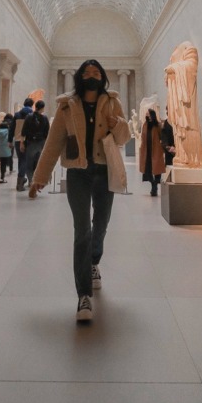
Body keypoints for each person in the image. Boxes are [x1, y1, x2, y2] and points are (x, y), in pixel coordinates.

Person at [29, 59, 130, 323]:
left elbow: (124, 137)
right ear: (80, 77)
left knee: (102, 224)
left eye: (96, 71)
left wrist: (116, 123)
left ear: (103, 77)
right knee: (81, 230)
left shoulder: (111, 102)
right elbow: (53, 143)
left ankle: (94, 262)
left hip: (104, 169)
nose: (92, 74)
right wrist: (40, 177)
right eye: (87, 71)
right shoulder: (67, 105)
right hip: (78, 174)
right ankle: (83, 294)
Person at [164, 40, 202, 168]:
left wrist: (174, 68)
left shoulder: (188, 47)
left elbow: (192, 66)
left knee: (187, 125)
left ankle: (193, 159)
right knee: (179, 128)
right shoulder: (178, 49)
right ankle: (182, 156)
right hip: (177, 98)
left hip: (185, 100)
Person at [20, 99, 49, 189]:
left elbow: (23, 132)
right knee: (37, 164)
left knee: (29, 163)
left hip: (31, 143)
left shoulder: (29, 117)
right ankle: (36, 181)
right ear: (42, 108)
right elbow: (47, 133)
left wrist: (22, 143)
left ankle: (30, 181)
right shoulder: (44, 118)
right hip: (41, 144)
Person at [139, 108, 165, 196]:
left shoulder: (157, 125)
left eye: (148, 114)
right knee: (148, 169)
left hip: (156, 150)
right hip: (147, 151)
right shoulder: (145, 125)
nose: (147, 115)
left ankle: (155, 186)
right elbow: (142, 136)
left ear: (152, 115)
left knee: (157, 170)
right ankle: (153, 185)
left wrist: (162, 146)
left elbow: (162, 136)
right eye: (146, 114)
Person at [13, 97, 34, 191]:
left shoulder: (17, 114)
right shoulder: (32, 115)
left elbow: (12, 128)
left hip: (17, 140)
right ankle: (21, 183)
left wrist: (10, 140)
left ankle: (21, 180)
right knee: (26, 161)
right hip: (27, 140)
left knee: (21, 160)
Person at [0, 117, 13, 182]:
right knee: (5, 163)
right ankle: (3, 177)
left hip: (1, 150)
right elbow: (11, 141)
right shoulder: (8, 132)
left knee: (2, 163)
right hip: (7, 150)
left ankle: (2, 177)